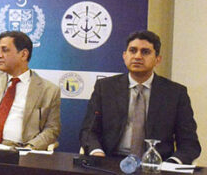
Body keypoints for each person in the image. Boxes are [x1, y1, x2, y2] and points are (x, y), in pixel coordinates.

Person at [79, 30, 201, 163]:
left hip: (157, 166)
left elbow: (189, 143)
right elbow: (88, 131)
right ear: (124, 56)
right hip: (110, 162)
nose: (137, 56)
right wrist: (96, 152)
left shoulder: (175, 93)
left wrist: (172, 164)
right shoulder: (105, 87)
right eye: (133, 50)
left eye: (145, 52)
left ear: (158, 59)